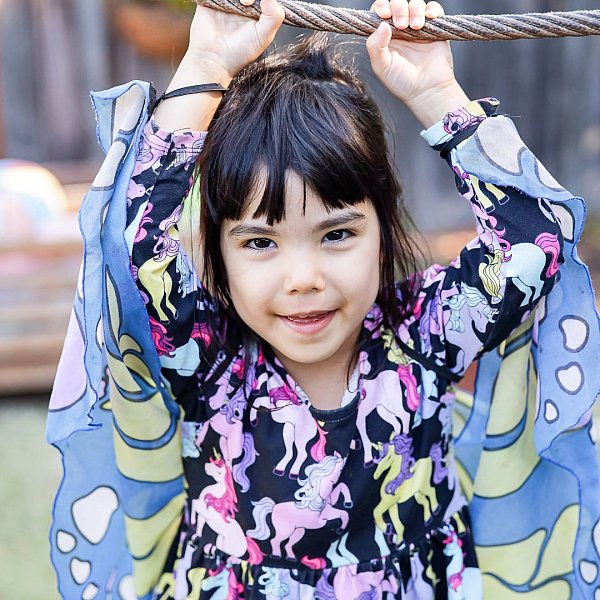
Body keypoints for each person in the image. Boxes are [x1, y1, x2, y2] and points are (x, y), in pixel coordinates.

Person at [47, 0, 600, 598]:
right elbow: (126, 241)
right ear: (219, 252)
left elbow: (535, 241)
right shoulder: (210, 360)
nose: (303, 277)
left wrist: (439, 92)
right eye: (260, 241)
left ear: (384, 229)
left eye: (337, 234)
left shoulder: (425, 334)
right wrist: (206, 62)